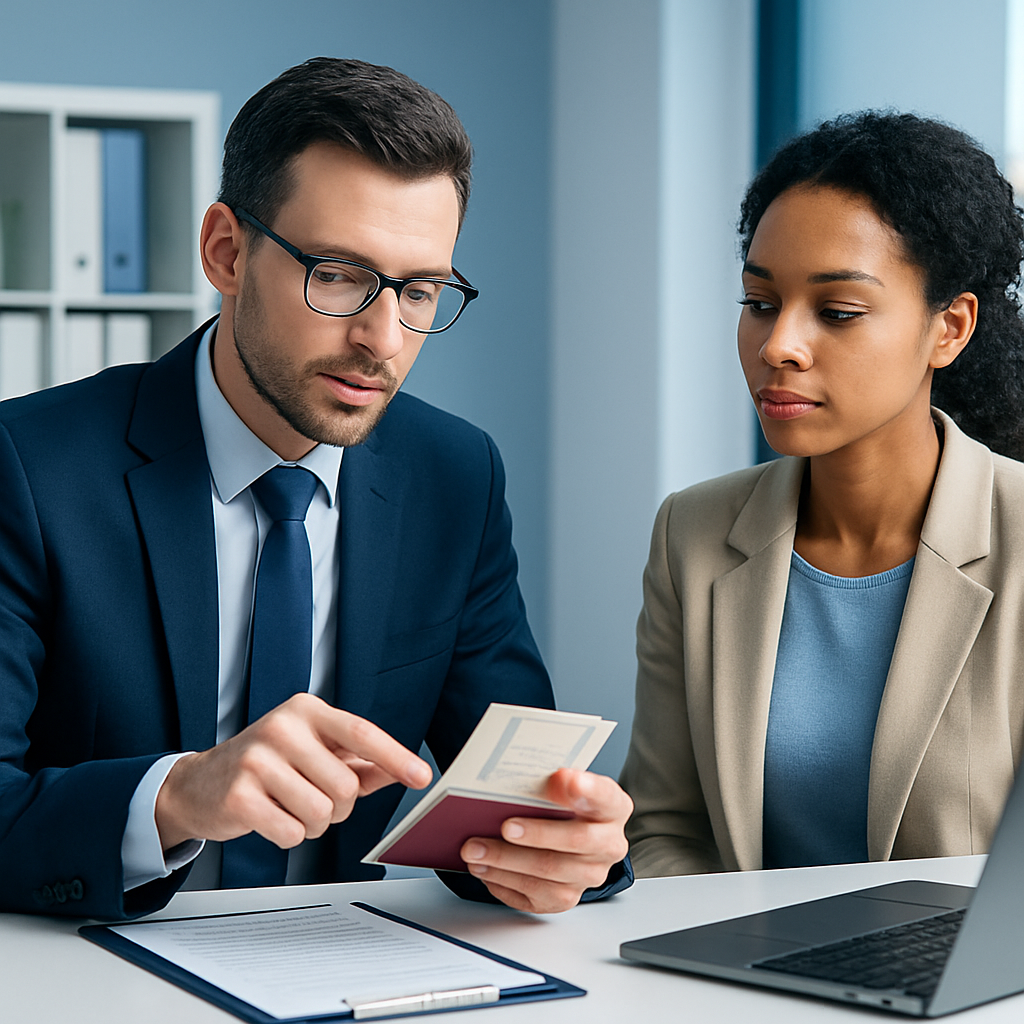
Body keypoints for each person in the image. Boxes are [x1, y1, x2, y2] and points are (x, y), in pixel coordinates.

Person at [0, 57, 632, 919]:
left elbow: (512, 795)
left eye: (419, 290)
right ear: (227, 251)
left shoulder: (456, 475)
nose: (384, 338)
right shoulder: (28, 467)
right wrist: (179, 795)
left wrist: (563, 850)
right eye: (337, 275)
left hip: (347, 972)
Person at [621, 111, 1024, 878]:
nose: (778, 346)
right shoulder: (694, 532)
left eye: (837, 312)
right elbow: (664, 825)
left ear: (950, 328)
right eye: (760, 303)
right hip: (746, 983)